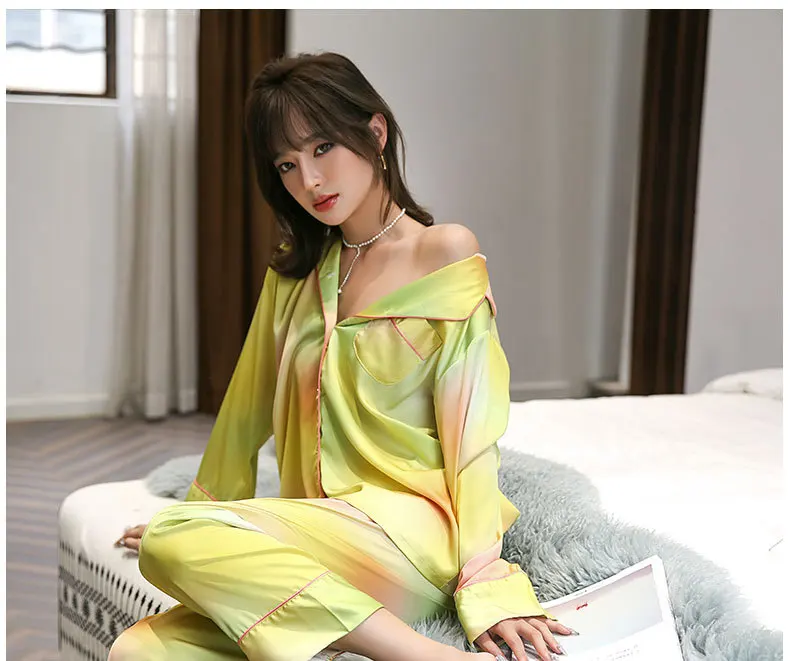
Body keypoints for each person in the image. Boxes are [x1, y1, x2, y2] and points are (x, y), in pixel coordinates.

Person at [108, 51, 574, 661]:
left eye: (322, 148)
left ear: (375, 133)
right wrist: (213, 522)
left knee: (168, 540)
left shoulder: (443, 252)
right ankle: (352, 634)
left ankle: (426, 656)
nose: (309, 181)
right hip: (325, 531)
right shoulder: (295, 277)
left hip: (411, 535)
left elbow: (471, 431)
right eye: (287, 165)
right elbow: (243, 414)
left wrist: (487, 579)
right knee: (137, 652)